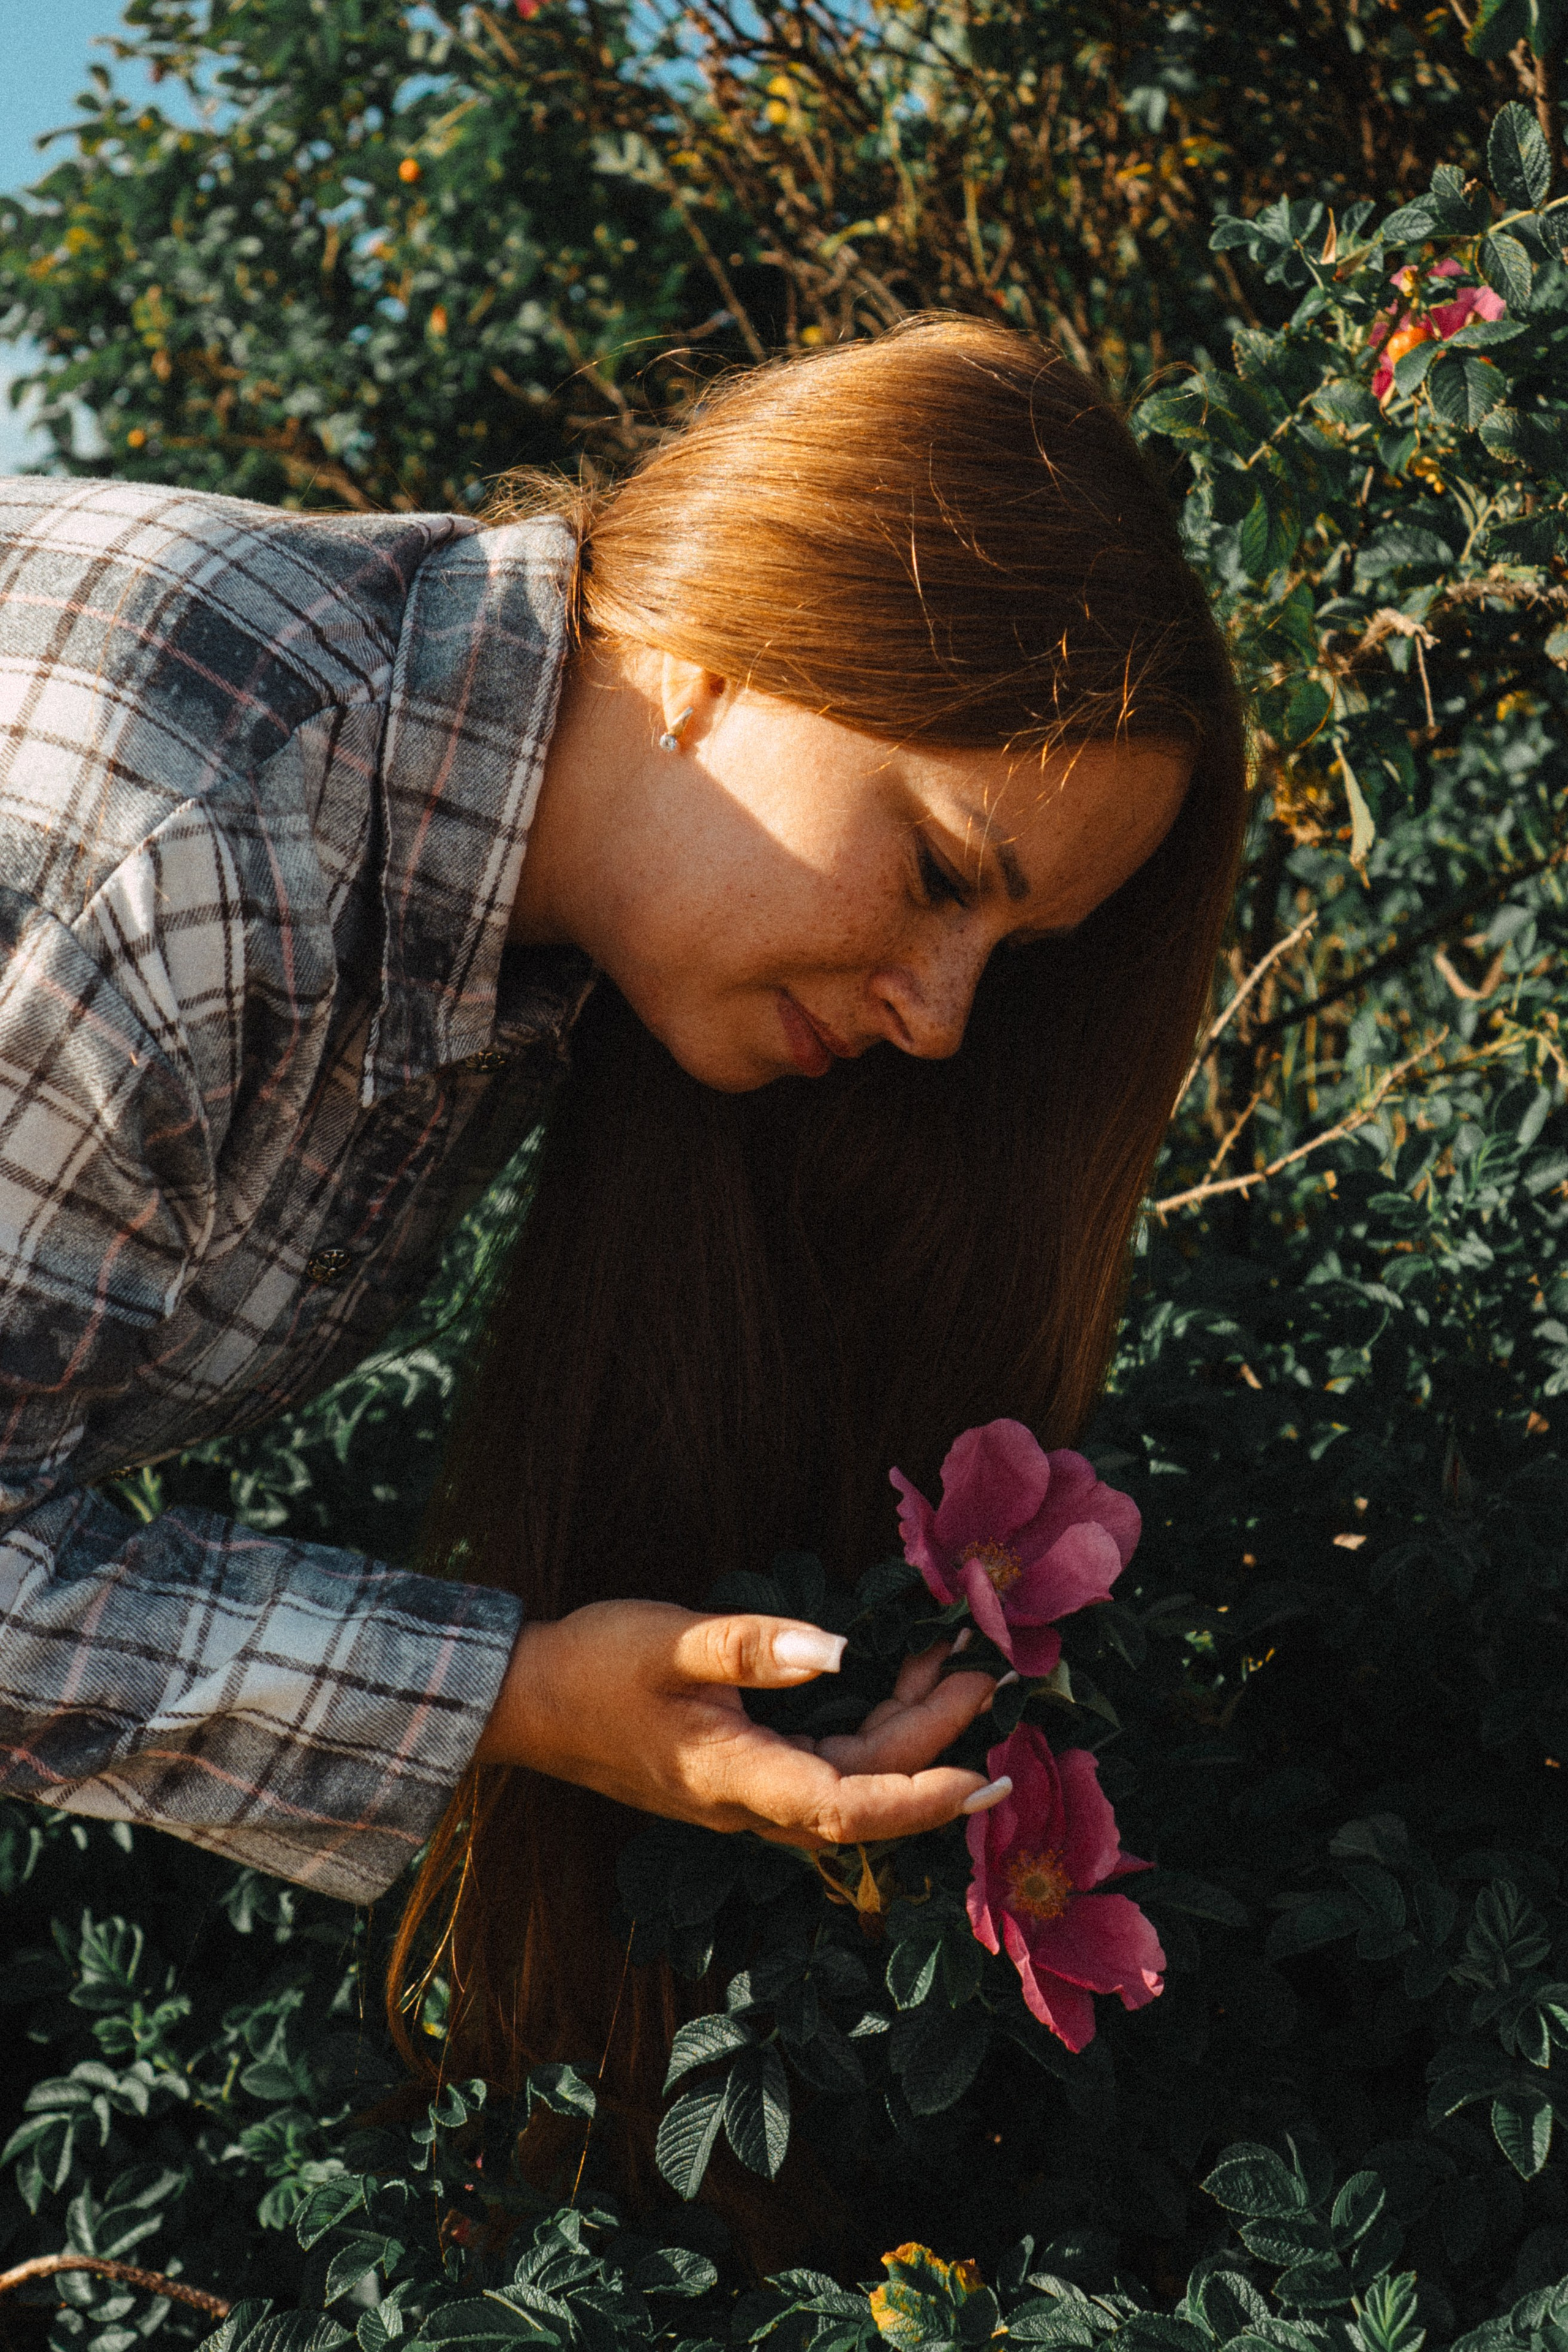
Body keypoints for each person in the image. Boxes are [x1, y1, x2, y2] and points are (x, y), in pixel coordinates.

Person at [0, 318, 1244, 2139]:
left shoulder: (526, 915)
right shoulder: (203, 845)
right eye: (939, 872)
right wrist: (507, 1692)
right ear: (712, 647)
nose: (946, 1016)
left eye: (1011, 953)